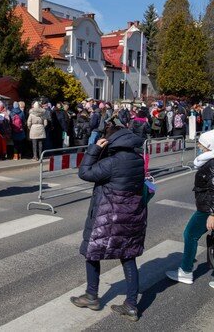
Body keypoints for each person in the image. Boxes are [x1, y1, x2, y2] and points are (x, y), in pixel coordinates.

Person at [70, 121, 146, 322]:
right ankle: (131, 305)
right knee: (128, 257)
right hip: (131, 215)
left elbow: (85, 173)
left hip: (108, 215)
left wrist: (94, 149)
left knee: (91, 253)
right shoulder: (137, 159)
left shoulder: (113, 162)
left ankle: (92, 296)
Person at [166, 130, 214, 288]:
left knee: (190, 234)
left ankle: (186, 271)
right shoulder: (208, 160)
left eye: (201, 143)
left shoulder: (212, 163)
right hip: (206, 207)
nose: (198, 146)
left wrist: (212, 213)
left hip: (207, 209)